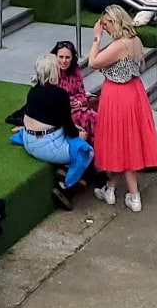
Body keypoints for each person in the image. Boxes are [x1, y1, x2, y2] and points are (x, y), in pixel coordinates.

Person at [87, 8, 157, 213]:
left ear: (115, 21)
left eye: (107, 24)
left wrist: (96, 38)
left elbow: (93, 62)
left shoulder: (120, 45)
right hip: (134, 91)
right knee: (128, 140)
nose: (106, 28)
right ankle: (111, 188)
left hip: (117, 94)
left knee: (119, 140)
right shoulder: (135, 40)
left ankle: (133, 194)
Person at [8, 65, 95, 207]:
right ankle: (66, 184)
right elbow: (68, 127)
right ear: (54, 73)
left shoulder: (33, 90)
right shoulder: (59, 94)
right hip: (47, 146)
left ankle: (68, 171)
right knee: (86, 151)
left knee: (69, 139)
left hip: (27, 139)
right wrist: (79, 135)